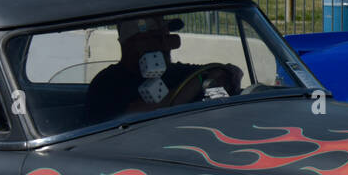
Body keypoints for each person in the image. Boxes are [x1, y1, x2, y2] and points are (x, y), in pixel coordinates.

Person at [85, 16, 241, 122]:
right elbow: (152, 112)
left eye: (167, 37)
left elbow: (226, 70)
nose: (166, 47)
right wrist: (199, 80)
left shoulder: (173, 71)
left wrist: (216, 81)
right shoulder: (107, 83)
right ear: (131, 44)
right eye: (156, 39)